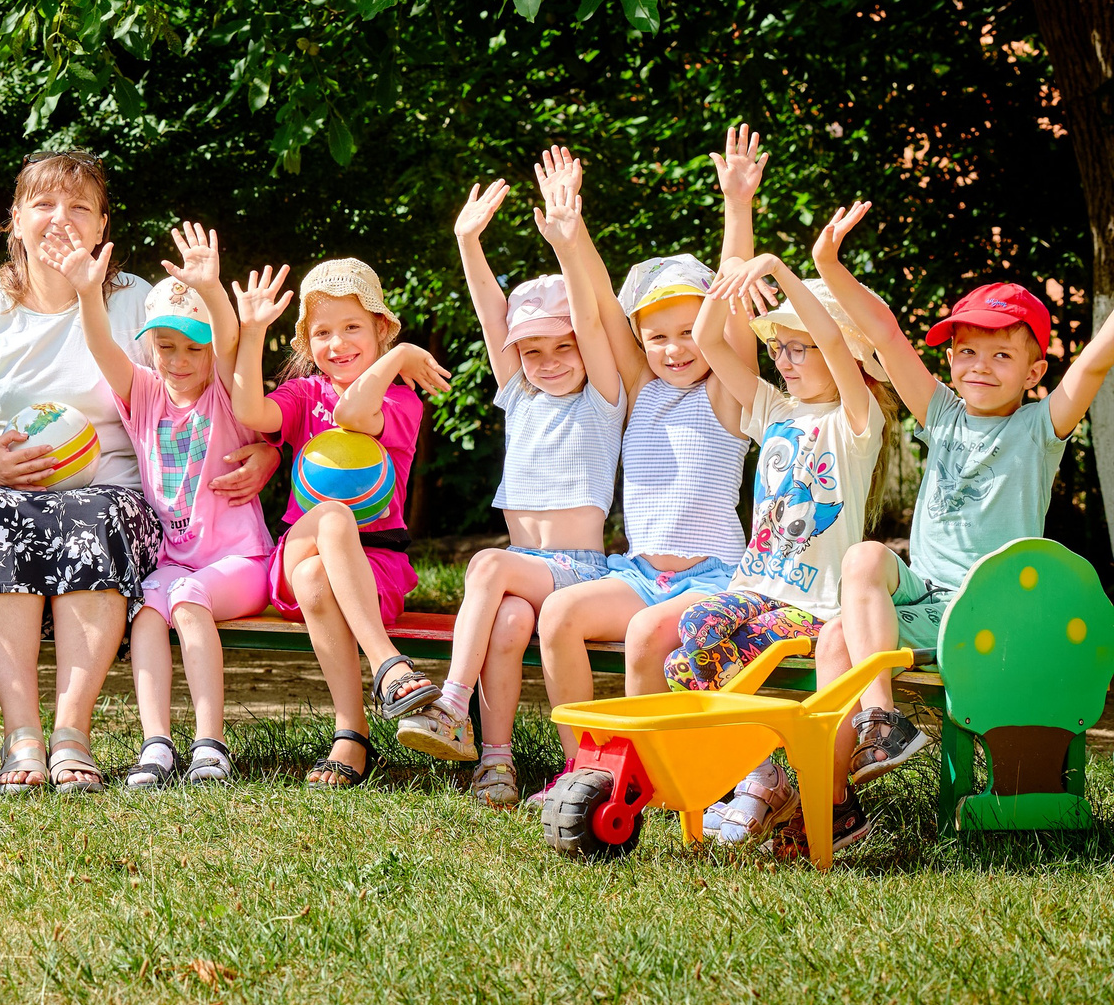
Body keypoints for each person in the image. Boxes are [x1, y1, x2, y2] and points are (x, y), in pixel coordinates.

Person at [0, 151, 269, 795]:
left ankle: (71, 734)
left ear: (102, 226)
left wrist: (268, 450)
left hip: (110, 493)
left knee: (97, 518)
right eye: (45, 204)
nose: (62, 218)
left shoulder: (136, 300)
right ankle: (22, 734)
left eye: (80, 206)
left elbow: (209, 387)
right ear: (15, 222)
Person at [810, 205, 1114, 812]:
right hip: (926, 596)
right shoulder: (942, 414)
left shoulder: (1039, 428)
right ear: (951, 360)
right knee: (850, 598)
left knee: (843, 639)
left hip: (990, 609)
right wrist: (827, 264)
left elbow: (1095, 362)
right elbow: (886, 334)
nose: (980, 366)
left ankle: (864, 751)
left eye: (1002, 357)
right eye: (968, 352)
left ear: (1035, 373)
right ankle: (851, 777)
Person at [525, 134, 762, 799]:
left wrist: (737, 206)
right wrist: (571, 237)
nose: (674, 347)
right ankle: (587, 773)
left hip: (713, 576)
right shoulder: (641, 390)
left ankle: (656, 780)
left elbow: (735, 306)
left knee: (642, 634)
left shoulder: (726, 390)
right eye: (657, 335)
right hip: (640, 570)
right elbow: (598, 310)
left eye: (688, 330)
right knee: (561, 615)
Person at [395, 168, 624, 807]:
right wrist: (469, 242)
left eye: (563, 347)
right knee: (508, 621)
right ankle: (496, 764)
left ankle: (449, 705)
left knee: (489, 566)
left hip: (579, 570)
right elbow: (496, 319)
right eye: (533, 351)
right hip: (527, 574)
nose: (548, 361)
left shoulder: (603, 399)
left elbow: (590, 317)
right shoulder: (519, 394)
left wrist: (565, 242)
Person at [56, 221, 283, 790]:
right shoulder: (145, 393)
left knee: (186, 597)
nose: (178, 360)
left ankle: (210, 745)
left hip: (240, 563)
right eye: (165, 346)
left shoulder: (225, 395)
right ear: (150, 346)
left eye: (192, 347)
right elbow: (101, 346)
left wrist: (211, 290)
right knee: (149, 610)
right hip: (177, 562)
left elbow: (230, 342)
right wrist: (87, 293)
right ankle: (156, 742)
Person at [680, 251, 890, 852]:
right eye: (779, 349)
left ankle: (796, 789)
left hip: (815, 603)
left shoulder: (857, 420)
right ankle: (763, 771)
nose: (784, 360)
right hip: (753, 585)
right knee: (696, 629)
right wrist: (728, 283)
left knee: (689, 667)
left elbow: (827, 328)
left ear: (842, 358)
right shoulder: (775, 409)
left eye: (799, 349)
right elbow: (706, 339)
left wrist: (777, 267)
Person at [238, 258, 453, 790]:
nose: (338, 344)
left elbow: (355, 416)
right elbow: (250, 411)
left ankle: (351, 735)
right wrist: (252, 332)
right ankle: (390, 667)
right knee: (331, 518)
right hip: (297, 550)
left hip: (375, 566)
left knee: (318, 578)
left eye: (353, 327)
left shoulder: (400, 401)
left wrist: (400, 355)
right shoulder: (304, 395)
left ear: (381, 329)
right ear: (307, 346)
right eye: (322, 333)